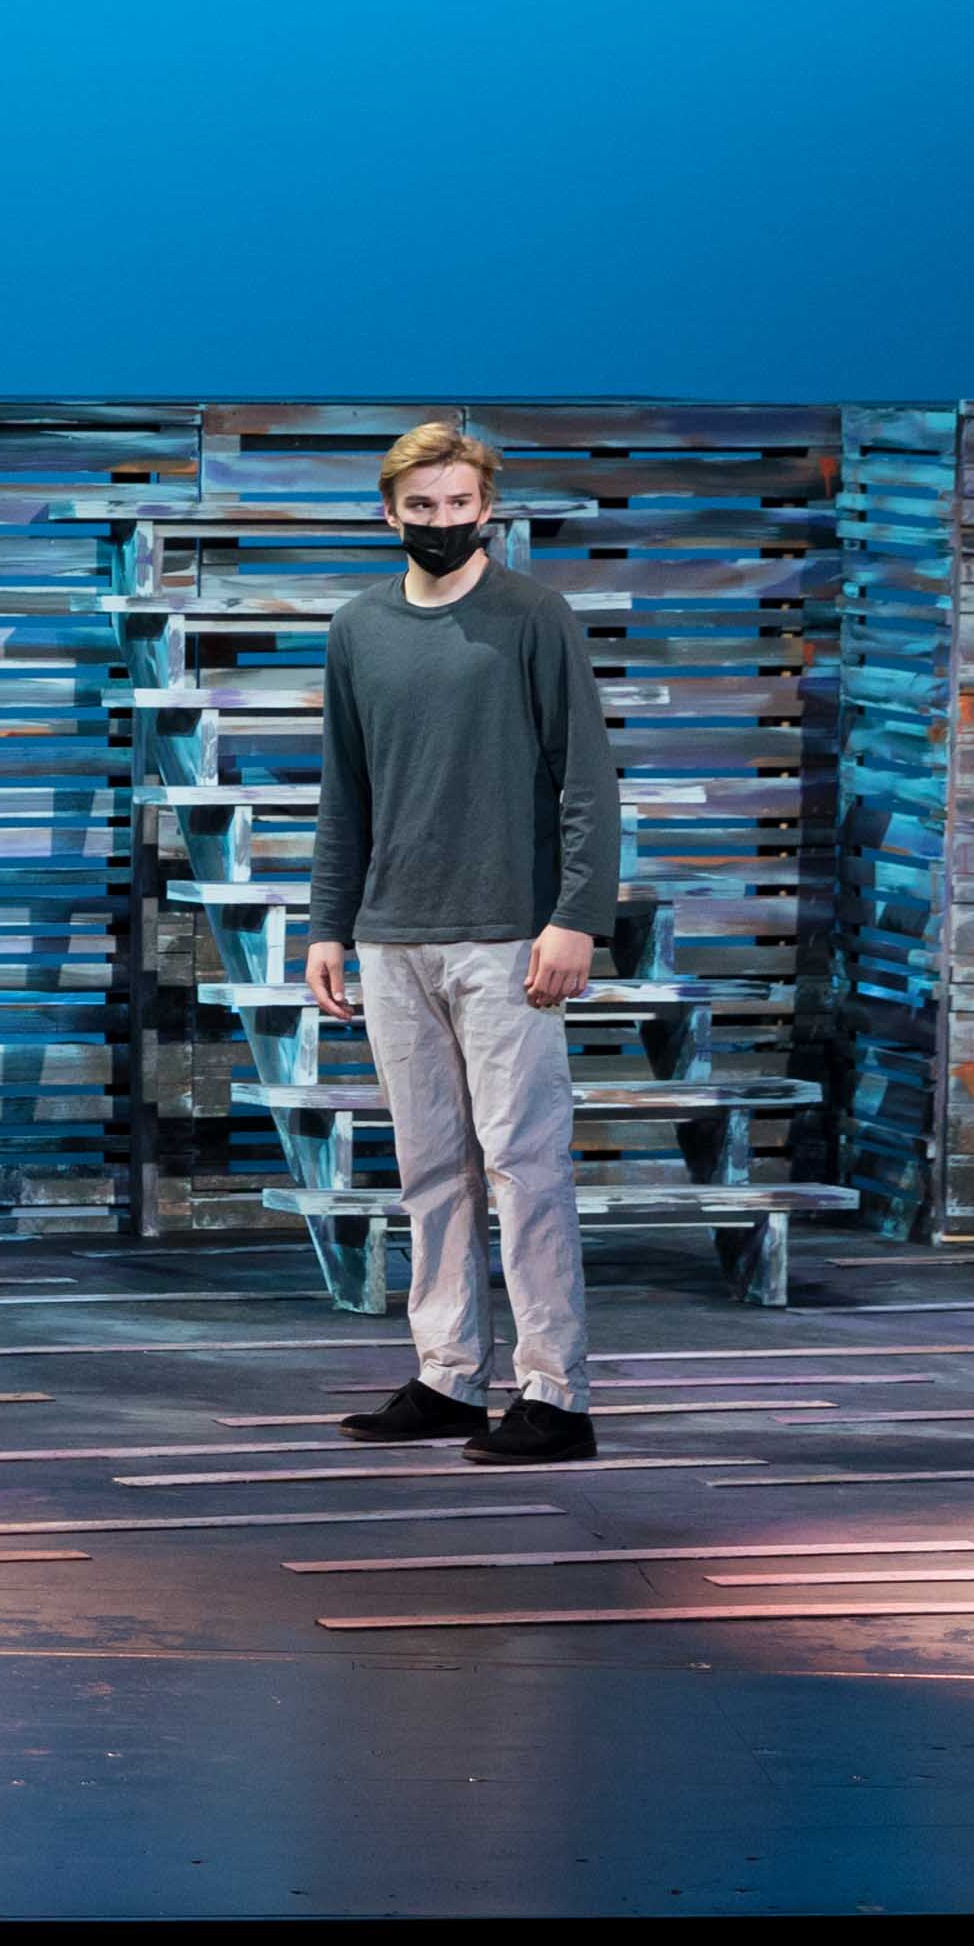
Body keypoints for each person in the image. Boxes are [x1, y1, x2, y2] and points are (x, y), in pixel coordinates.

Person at [303, 420, 621, 1466]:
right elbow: (343, 793)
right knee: (429, 1167)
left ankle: (554, 1395)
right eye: (423, 507)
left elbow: (586, 781)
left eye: (461, 505)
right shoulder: (358, 628)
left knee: (525, 1163)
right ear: (388, 511)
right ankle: (446, 1377)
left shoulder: (533, 617)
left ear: (489, 506)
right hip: (396, 937)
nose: (443, 523)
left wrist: (576, 914)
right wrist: (328, 925)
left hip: (505, 936)